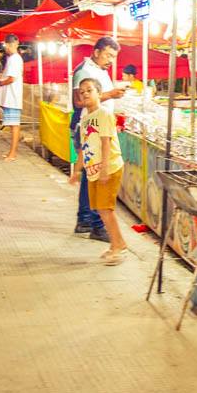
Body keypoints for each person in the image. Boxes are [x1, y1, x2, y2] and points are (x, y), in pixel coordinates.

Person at [71, 37, 125, 241]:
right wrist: (111, 94)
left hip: (96, 128)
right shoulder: (84, 71)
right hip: (91, 130)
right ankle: (97, 225)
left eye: (114, 56)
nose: (111, 60)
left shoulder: (100, 71)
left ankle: (86, 220)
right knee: (97, 177)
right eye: (108, 55)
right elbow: (78, 101)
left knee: (90, 176)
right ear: (96, 52)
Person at [70, 77, 127, 265]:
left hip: (108, 167)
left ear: (99, 93)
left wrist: (104, 169)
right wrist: (77, 170)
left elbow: (106, 142)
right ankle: (116, 244)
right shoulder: (85, 119)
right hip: (93, 171)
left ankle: (118, 247)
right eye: (82, 92)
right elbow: (84, 147)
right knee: (100, 209)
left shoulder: (104, 114)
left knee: (106, 209)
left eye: (89, 90)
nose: (85, 94)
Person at [0, 34, 23, 161]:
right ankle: (12, 152)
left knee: (14, 125)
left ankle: (13, 153)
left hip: (12, 97)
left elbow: (11, 79)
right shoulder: (13, 58)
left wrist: (0, 83)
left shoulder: (15, 59)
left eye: (5, 45)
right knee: (12, 125)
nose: (5, 48)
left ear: (8, 45)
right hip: (11, 97)